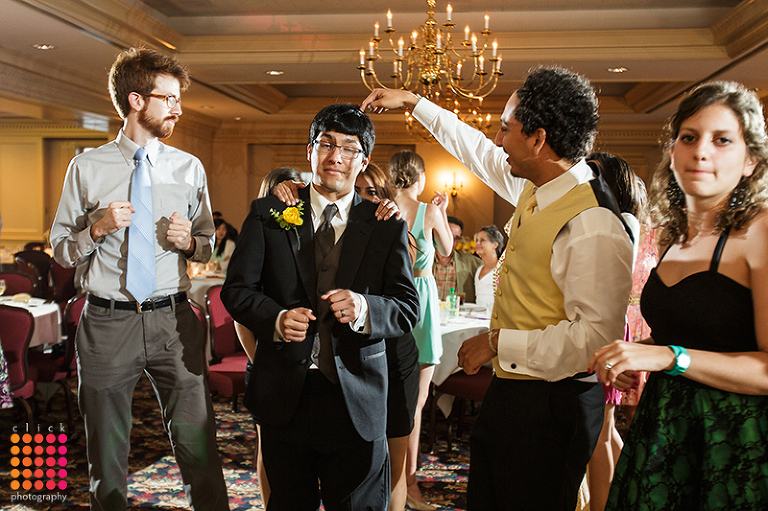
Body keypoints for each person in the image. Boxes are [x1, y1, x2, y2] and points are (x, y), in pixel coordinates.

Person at [362, 65, 634, 511]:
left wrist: (496, 343)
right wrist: (414, 102)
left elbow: (593, 340)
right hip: (515, 390)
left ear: (538, 139)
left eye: (506, 128)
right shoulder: (538, 185)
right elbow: (474, 150)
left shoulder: (593, 223)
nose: (498, 138)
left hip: (554, 402)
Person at [49, 47, 228, 510]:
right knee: (106, 456)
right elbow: (62, 249)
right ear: (136, 100)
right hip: (107, 324)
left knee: (200, 445)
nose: (178, 109)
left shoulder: (189, 167)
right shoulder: (86, 167)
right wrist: (97, 229)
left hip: (174, 321)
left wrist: (190, 242)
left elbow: (206, 245)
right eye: (169, 99)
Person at [221, 103, 420, 511]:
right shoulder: (268, 214)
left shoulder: (386, 224)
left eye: (349, 148)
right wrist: (275, 319)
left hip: (357, 396)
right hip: (285, 394)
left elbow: (406, 307)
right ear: (310, 150)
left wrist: (364, 308)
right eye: (326, 144)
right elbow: (236, 291)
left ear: (363, 160)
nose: (336, 157)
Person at [590, 81, 768, 510]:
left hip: (735, 437)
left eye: (722, 140)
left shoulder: (761, 231)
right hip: (665, 426)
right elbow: (698, 331)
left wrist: (668, 357)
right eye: (689, 137)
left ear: (751, 161)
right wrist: (639, 352)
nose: (701, 151)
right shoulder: (673, 236)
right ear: (672, 152)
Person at [389, 150, 453, 511]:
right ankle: (408, 483)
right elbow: (447, 249)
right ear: (420, 178)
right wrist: (442, 211)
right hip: (421, 302)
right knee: (416, 402)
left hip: (390, 300)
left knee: (388, 395)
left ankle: (389, 477)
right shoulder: (428, 210)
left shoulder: (381, 207)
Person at [584, 152, 647, 511]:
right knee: (605, 431)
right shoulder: (625, 220)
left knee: (599, 434)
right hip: (610, 325)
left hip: (607, 328)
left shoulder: (621, 222)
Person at [433, 216, 481, 302]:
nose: (451, 241)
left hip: (457, 310)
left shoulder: (473, 263)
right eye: (448, 235)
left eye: (456, 238)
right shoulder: (422, 261)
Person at [472, 225, 503, 313]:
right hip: (478, 318)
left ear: (495, 244)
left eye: (482, 240)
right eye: (477, 240)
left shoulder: (501, 271)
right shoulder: (479, 270)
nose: (478, 243)